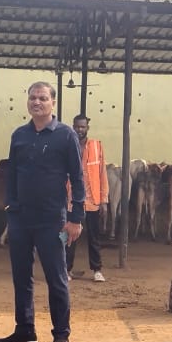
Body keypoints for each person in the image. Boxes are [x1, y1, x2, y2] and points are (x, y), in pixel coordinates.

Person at [0, 81, 85, 342]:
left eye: (43, 98)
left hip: (52, 219)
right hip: (21, 217)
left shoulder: (66, 135)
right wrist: (10, 206)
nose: (37, 102)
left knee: (57, 278)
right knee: (21, 276)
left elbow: (77, 179)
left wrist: (76, 218)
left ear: (52, 103)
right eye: (33, 98)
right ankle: (25, 331)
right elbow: (12, 173)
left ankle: (61, 336)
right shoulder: (19, 135)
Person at [65, 114, 109, 282]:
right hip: (72, 200)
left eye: (82, 127)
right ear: (73, 127)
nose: (80, 130)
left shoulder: (97, 147)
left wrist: (103, 200)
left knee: (94, 237)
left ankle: (97, 270)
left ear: (87, 128)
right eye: (77, 126)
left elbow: (102, 174)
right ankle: (66, 269)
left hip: (92, 201)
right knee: (70, 236)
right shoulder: (67, 146)